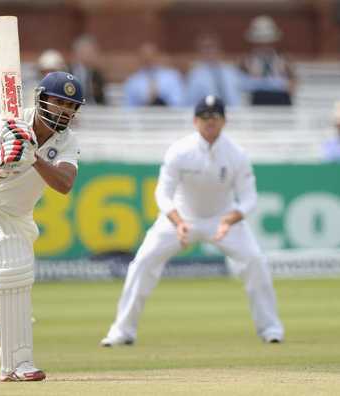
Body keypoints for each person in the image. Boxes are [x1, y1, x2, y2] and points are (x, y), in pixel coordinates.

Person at [100, 95, 284, 347]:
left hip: (223, 220)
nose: (210, 122)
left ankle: (271, 329)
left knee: (255, 261)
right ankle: (121, 331)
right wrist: (178, 221)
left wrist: (229, 220)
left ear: (224, 121)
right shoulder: (179, 150)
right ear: (195, 120)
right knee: (142, 262)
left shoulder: (236, 154)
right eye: (205, 117)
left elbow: (250, 198)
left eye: (216, 117)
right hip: (180, 219)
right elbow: (162, 194)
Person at [0, 71, 85, 381]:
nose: (65, 110)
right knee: (11, 272)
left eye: (72, 106)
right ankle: (16, 365)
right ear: (42, 99)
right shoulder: (4, 123)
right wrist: (0, 169)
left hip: (18, 218)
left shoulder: (67, 141)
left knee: (14, 299)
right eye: (59, 101)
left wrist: (32, 157)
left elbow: (64, 184)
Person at [240, 15, 295, 105]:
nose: (264, 44)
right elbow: (242, 86)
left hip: (281, 101)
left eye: (267, 41)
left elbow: (293, 85)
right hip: (256, 101)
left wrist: (281, 84)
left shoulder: (284, 61)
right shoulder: (245, 62)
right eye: (260, 41)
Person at [186, 32, 243, 107]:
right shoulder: (195, 75)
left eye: (212, 47)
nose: (209, 51)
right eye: (205, 48)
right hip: (210, 115)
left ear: (218, 48)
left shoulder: (231, 71)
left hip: (236, 113)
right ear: (199, 51)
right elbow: (189, 102)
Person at [123, 42, 185, 107]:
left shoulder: (172, 76)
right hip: (141, 115)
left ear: (157, 56)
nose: (148, 59)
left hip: (169, 114)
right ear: (140, 58)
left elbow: (178, 102)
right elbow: (129, 106)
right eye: (145, 56)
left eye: (151, 55)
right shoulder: (133, 81)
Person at [69, 34, 106, 105]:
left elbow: (102, 100)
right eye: (86, 52)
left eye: (92, 52)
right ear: (77, 53)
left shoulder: (97, 75)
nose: (90, 55)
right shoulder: (68, 72)